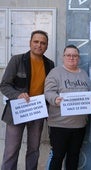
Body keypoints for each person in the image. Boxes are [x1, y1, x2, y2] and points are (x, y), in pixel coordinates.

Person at [0, 30, 54, 170]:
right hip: (17, 112)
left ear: (47, 46)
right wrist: (17, 95)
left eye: (43, 43)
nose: (39, 45)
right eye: (36, 42)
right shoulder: (17, 60)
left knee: (34, 149)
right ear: (30, 43)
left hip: (37, 111)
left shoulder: (50, 64)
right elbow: (4, 85)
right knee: (11, 150)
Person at [44, 44, 90, 170]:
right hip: (59, 125)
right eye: (68, 55)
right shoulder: (55, 73)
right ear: (63, 57)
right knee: (57, 157)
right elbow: (48, 92)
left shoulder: (84, 74)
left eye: (74, 55)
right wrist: (55, 99)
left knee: (74, 157)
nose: (71, 58)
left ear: (78, 58)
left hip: (79, 125)